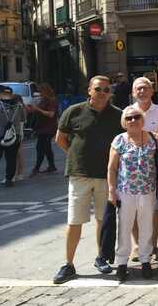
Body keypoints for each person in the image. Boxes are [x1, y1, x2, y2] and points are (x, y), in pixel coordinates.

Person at [53, 76, 123, 284]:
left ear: (110, 93)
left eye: (106, 90)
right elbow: (60, 138)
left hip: (106, 176)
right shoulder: (73, 111)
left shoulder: (118, 115)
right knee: (75, 220)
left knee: (103, 219)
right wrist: (75, 156)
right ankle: (68, 264)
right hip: (79, 174)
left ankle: (101, 257)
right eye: (98, 89)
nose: (102, 93)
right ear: (89, 91)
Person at [107, 106, 158, 282]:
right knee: (124, 226)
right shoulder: (119, 140)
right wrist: (111, 190)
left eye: (136, 117)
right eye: (129, 118)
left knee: (146, 226)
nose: (133, 120)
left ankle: (145, 260)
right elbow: (112, 168)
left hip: (147, 190)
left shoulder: (151, 138)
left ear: (142, 119)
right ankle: (122, 262)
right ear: (124, 122)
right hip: (125, 191)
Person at [128, 77, 158, 262]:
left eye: (145, 88)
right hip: (134, 168)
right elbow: (123, 138)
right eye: (138, 88)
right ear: (133, 92)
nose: (142, 91)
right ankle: (137, 246)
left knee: (156, 208)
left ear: (152, 91)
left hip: (156, 166)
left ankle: (153, 244)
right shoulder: (128, 112)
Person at [0, 87, 26, 188]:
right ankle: (9, 180)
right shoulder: (19, 106)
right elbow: (23, 119)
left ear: (0, 94)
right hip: (14, 136)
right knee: (11, 158)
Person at [30, 83, 59, 176]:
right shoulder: (43, 100)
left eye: (41, 91)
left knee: (41, 147)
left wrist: (38, 109)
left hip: (48, 128)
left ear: (45, 91)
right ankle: (52, 166)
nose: (40, 93)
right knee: (46, 148)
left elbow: (51, 114)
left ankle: (37, 168)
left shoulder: (52, 100)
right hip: (42, 127)